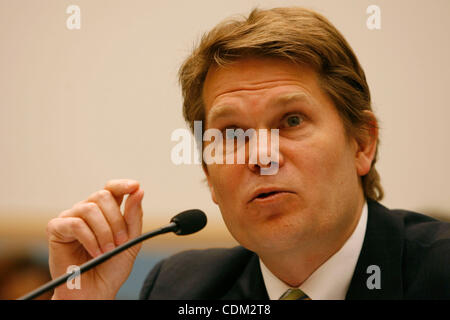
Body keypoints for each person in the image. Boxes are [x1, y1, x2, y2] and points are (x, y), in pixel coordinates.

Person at [46, 7, 450, 300]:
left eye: (291, 121)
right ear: (209, 175)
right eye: (232, 134)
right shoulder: (181, 289)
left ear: (362, 143)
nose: (261, 156)